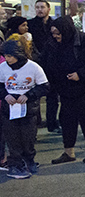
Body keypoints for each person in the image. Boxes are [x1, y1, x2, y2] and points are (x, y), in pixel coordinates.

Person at [43, 16, 85, 164]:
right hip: (66, 88)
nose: (56, 36)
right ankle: (68, 152)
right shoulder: (53, 44)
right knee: (67, 120)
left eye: (58, 33)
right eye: (53, 33)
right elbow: (46, 61)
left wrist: (80, 74)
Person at [1, 40, 49, 179]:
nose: (8, 59)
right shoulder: (3, 67)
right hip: (9, 110)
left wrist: (29, 95)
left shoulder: (33, 67)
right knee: (13, 139)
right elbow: (0, 86)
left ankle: (29, 160)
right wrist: (5, 95)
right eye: (6, 56)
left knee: (28, 138)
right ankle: (15, 164)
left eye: (10, 56)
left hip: (28, 110)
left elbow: (44, 87)